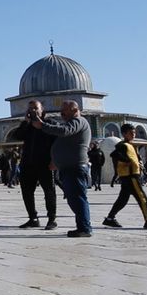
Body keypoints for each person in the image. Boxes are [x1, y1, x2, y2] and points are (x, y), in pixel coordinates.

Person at [29, 99, 93, 237]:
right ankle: (82, 226)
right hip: (69, 167)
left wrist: (43, 126)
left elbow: (64, 131)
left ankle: (85, 228)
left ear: (75, 110)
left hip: (75, 167)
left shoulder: (78, 122)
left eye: (64, 111)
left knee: (78, 198)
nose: (61, 113)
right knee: (74, 198)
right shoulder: (72, 123)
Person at [103, 124, 147, 230]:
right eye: (131, 133)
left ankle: (110, 218)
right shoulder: (123, 145)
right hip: (130, 176)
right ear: (124, 134)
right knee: (142, 198)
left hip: (130, 176)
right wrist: (127, 161)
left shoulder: (130, 145)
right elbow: (115, 154)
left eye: (134, 132)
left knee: (122, 200)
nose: (133, 134)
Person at [8, 100, 57, 230]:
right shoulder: (27, 126)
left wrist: (54, 160)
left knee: (49, 191)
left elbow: (57, 143)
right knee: (27, 192)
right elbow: (17, 136)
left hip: (45, 164)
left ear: (42, 110)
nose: (33, 111)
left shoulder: (50, 124)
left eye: (35, 108)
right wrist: (26, 122)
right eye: (30, 109)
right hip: (28, 164)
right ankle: (33, 218)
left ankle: (52, 219)